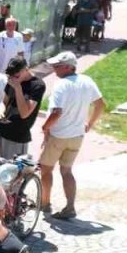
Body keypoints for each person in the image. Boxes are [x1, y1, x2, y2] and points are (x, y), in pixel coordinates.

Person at [40, 52, 105, 220]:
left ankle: (45, 203)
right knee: (67, 171)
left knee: (46, 169)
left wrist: (45, 127)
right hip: (77, 136)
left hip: (58, 135)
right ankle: (70, 206)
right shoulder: (87, 81)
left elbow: (56, 112)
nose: (54, 69)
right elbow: (100, 105)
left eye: (58, 66)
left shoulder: (61, 85)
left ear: (69, 67)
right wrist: (89, 124)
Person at [0, 58, 46, 159]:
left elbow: (24, 113)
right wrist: (1, 110)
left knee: (10, 171)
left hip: (17, 136)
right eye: (10, 75)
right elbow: (4, 102)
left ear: (26, 69)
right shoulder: (12, 79)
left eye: (16, 75)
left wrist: (18, 88)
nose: (13, 78)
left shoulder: (37, 85)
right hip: (1, 130)